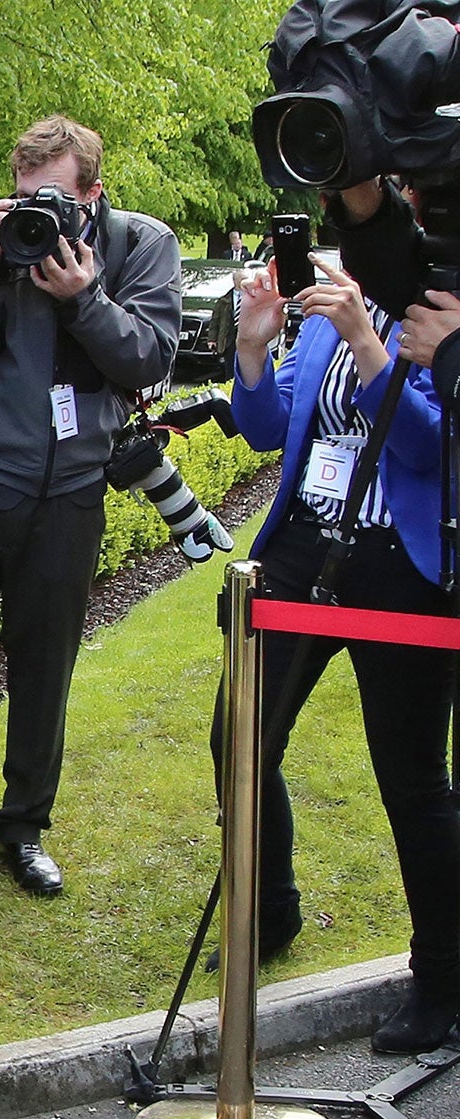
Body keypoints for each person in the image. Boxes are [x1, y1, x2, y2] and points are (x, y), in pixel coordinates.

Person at [0, 116, 180, 897]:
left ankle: (23, 830)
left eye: (56, 198)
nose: (38, 214)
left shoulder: (139, 247)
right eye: (26, 197)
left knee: (44, 668)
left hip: (68, 491)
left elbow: (149, 357)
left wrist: (84, 296)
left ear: (93, 194)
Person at [224, 255, 459, 1056]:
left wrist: (369, 341)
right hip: (304, 550)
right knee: (242, 741)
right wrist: (255, 350)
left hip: (404, 567)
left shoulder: (439, 315)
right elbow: (265, 428)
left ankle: (440, 979)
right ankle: (271, 911)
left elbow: (428, 449)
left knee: (411, 778)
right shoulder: (325, 312)